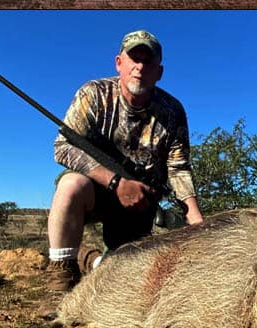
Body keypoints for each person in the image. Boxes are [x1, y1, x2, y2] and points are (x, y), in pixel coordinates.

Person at [45, 30, 204, 296]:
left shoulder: (173, 111)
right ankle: (59, 284)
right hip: (96, 194)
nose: (140, 67)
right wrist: (116, 183)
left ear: (159, 72)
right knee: (70, 184)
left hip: (140, 205)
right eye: (134, 58)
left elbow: (178, 168)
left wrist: (196, 220)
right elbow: (62, 147)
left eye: (148, 62)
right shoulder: (93, 94)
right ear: (119, 63)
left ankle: (90, 260)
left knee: (123, 284)